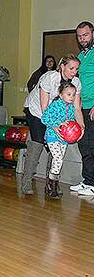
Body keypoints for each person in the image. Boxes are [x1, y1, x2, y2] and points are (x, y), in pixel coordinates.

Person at [21, 54, 84, 195]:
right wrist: (53, 126)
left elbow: (77, 108)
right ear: (62, 67)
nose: (74, 72)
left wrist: (81, 126)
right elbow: (45, 109)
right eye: (71, 68)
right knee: (37, 143)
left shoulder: (76, 83)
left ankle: (51, 184)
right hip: (37, 111)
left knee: (55, 148)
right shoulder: (50, 77)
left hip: (57, 115)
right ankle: (26, 181)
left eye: (76, 69)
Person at [41, 82, 77, 199]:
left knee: (59, 160)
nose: (71, 97)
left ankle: (53, 184)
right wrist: (58, 124)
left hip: (63, 138)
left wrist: (74, 131)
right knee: (58, 158)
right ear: (61, 95)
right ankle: (52, 185)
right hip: (52, 136)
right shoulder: (55, 105)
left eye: (73, 95)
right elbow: (45, 118)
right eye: (69, 94)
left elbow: (70, 122)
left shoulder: (71, 107)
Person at [70, 21, 94, 196]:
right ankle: (88, 181)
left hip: (92, 106)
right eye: (79, 36)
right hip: (81, 106)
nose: (82, 38)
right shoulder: (82, 55)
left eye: (85, 35)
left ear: (93, 33)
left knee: (90, 145)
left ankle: (91, 184)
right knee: (84, 144)